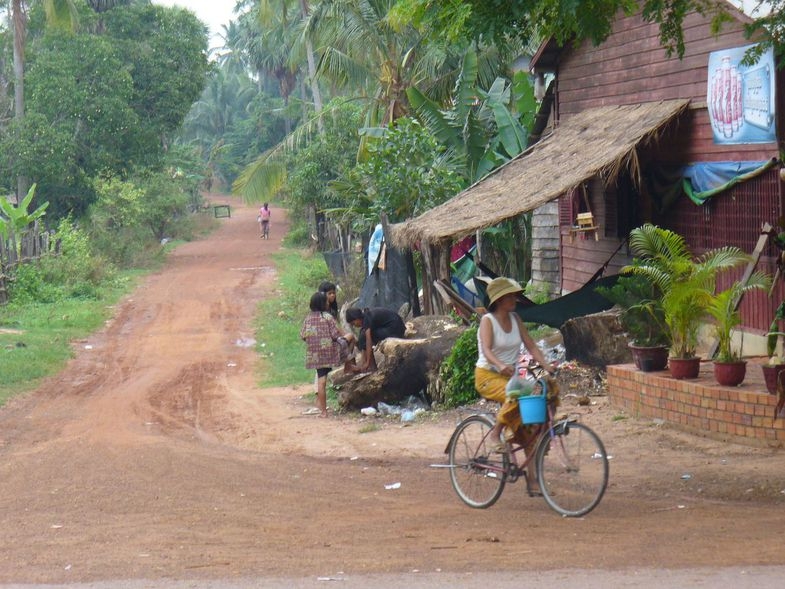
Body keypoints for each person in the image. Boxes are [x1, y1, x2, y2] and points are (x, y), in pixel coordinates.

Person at [474, 277, 555, 494]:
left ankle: (533, 481)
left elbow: (531, 345)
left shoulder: (516, 319)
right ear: (499, 300)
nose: (514, 299)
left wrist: (547, 365)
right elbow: (488, 350)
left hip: (509, 377)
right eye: (510, 296)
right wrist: (500, 365)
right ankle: (496, 433)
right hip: (487, 376)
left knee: (533, 419)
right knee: (515, 393)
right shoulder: (487, 321)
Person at [300, 292, 354, 417]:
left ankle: (323, 411)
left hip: (315, 355)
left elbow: (303, 335)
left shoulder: (308, 318)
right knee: (351, 337)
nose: (328, 303)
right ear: (322, 304)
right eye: (326, 301)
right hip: (331, 352)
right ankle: (348, 363)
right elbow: (336, 335)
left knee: (321, 381)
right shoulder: (327, 317)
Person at [345, 306, 406, 373]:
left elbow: (368, 342)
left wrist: (367, 362)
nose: (354, 326)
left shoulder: (367, 318)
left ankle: (371, 367)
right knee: (362, 334)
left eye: (353, 323)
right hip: (396, 327)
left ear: (356, 318)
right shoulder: (366, 316)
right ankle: (368, 366)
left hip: (395, 330)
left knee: (364, 336)